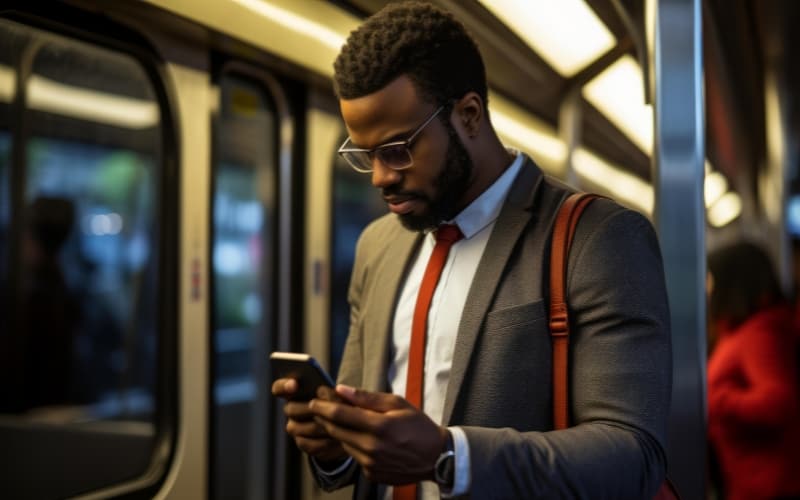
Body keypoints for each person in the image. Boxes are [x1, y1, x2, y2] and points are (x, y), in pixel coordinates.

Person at [272, 2, 672, 498]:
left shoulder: (598, 238)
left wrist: (448, 455)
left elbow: (634, 454)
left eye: (398, 150)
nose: (380, 178)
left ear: (468, 115)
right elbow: (364, 438)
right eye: (365, 155)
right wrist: (334, 447)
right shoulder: (378, 246)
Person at [707, 242, 800, 500]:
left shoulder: (759, 333)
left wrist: (718, 399)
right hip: (752, 483)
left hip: (769, 486)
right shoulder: (742, 329)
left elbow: (779, 401)